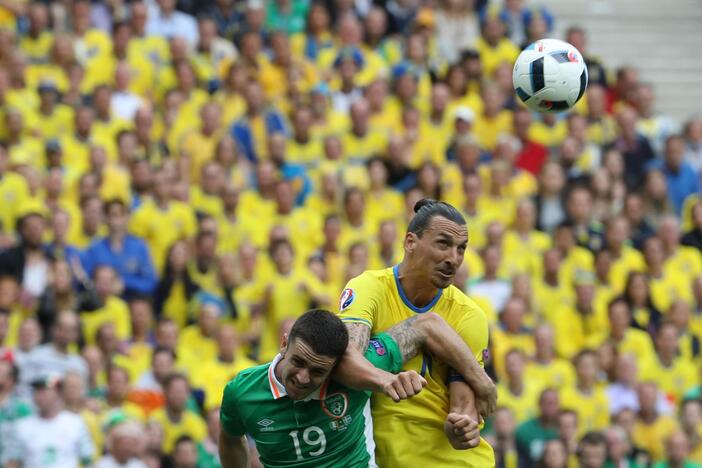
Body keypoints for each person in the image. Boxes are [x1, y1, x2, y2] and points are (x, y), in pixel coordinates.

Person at [219, 308, 489, 467]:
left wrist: (482, 382)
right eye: (298, 362)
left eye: (317, 372)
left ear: (337, 366)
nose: (303, 378)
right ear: (284, 343)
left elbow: (426, 325)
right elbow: (231, 437)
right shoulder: (242, 392)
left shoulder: (357, 371)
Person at [338, 199, 497, 466]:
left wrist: (462, 426)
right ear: (410, 242)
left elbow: (462, 407)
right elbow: (345, 360)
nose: (453, 259)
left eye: (461, 249)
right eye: (443, 244)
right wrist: (387, 380)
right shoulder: (369, 288)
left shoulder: (469, 314)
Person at [2, 374, 94, 467]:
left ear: (58, 393)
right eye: (36, 390)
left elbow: (88, 460)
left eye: (44, 390)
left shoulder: (75, 423)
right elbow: (12, 463)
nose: (40, 395)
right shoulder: (22, 426)